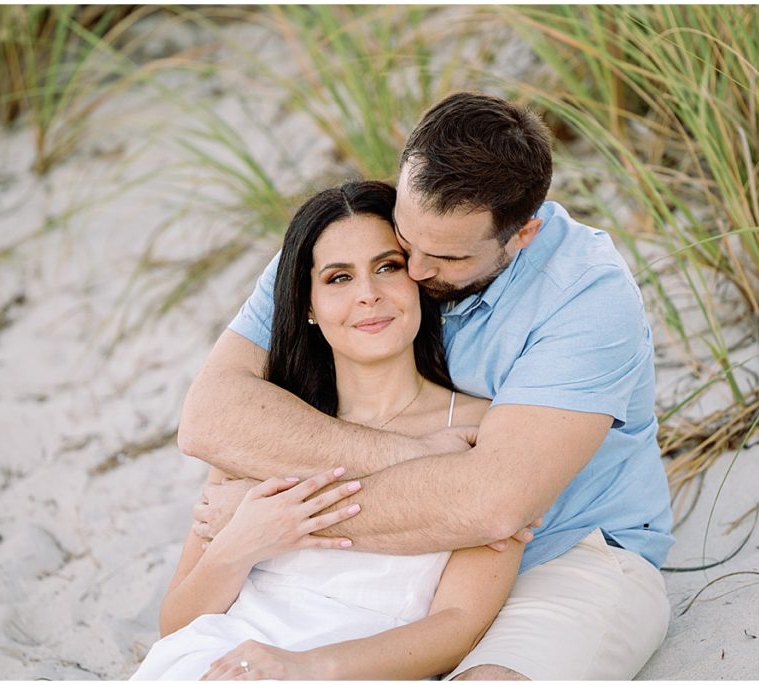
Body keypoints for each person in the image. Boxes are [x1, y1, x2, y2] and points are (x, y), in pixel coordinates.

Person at [181, 92, 674, 680]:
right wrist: (408, 456)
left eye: (443, 258)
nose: (411, 273)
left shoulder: (587, 297)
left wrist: (284, 518)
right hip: (401, 566)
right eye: (405, 244)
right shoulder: (367, 236)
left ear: (522, 236)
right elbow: (209, 416)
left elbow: (491, 506)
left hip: (563, 553)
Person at [132, 181, 524, 680]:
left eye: (388, 267)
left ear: (419, 281)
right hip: (216, 660)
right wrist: (243, 543)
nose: (368, 295)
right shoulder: (268, 428)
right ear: (309, 306)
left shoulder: (481, 429)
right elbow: (177, 625)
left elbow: (458, 627)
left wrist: (302, 668)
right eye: (339, 278)